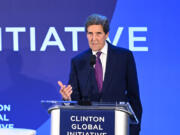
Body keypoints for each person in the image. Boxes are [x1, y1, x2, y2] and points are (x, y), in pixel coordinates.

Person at [58, 14, 142, 135]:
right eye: (90, 33)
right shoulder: (78, 61)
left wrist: (134, 130)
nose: (94, 38)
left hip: (118, 127)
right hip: (89, 128)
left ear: (106, 34)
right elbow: (75, 99)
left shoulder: (124, 57)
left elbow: (134, 97)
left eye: (98, 33)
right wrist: (67, 99)